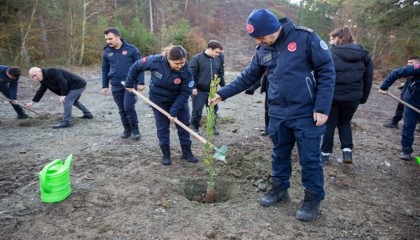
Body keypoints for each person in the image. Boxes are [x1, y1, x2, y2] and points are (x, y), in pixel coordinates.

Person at [209, 9, 335, 221]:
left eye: (260, 36)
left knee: (310, 159)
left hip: (307, 113)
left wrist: (322, 107)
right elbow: (248, 76)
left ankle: (312, 200)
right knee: (279, 154)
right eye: (255, 38)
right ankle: (279, 189)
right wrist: (222, 94)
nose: (257, 41)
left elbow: (327, 71)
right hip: (277, 112)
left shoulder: (305, 38)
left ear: (272, 28)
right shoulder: (263, 49)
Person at [124, 45, 198, 166]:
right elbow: (136, 66)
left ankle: (187, 152)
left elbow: (185, 93)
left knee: (184, 125)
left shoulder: (187, 71)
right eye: (176, 63)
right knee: (162, 127)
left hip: (178, 100)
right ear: (168, 58)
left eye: (182, 62)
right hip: (158, 100)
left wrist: (174, 111)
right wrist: (129, 82)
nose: (180, 66)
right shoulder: (155, 61)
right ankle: (166, 154)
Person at [320, 27, 373, 165]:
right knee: (344, 123)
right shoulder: (364, 55)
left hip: (333, 96)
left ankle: (325, 155)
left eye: (332, 38)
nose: (330, 41)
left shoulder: (330, 54)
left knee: (329, 124)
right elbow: (368, 78)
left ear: (339, 38)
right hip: (353, 97)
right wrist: (363, 97)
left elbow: (323, 77)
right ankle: (347, 153)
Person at [102, 27, 143, 140]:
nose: (108, 41)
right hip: (115, 84)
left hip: (130, 84)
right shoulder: (107, 51)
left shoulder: (131, 49)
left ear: (117, 37)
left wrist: (141, 82)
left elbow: (140, 66)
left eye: (110, 38)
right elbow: (105, 69)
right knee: (121, 108)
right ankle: (127, 129)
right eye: (106, 39)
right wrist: (105, 85)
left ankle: (135, 130)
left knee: (129, 106)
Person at [26, 67, 93, 128]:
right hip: (70, 87)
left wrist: (63, 94)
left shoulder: (51, 71)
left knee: (66, 100)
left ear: (39, 71)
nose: (35, 78)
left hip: (78, 84)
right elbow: (41, 91)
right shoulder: (43, 80)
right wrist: (32, 102)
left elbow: (62, 81)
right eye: (32, 77)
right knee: (74, 101)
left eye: (35, 75)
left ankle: (66, 122)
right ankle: (88, 114)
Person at [379, 63, 420, 161]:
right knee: (409, 125)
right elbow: (396, 72)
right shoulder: (417, 68)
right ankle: (406, 150)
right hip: (413, 100)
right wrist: (384, 87)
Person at [190, 40, 225, 135]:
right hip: (199, 90)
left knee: (213, 110)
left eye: (219, 52)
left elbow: (220, 71)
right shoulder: (196, 58)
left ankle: (212, 127)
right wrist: (193, 87)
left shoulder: (217, 59)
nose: (218, 54)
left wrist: (223, 84)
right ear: (210, 49)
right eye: (216, 52)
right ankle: (195, 127)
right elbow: (191, 74)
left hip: (212, 91)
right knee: (197, 111)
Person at [383, 56, 420, 130]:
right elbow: (397, 73)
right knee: (402, 105)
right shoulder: (410, 70)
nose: (409, 64)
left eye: (411, 63)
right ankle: (395, 122)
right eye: (408, 63)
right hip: (408, 93)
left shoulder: (417, 70)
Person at [245, 70, 269, 136]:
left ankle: (273, 131)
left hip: (277, 92)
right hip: (268, 90)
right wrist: (252, 88)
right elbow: (262, 76)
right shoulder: (267, 65)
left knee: (273, 111)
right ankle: (268, 130)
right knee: (267, 110)